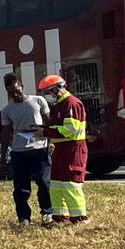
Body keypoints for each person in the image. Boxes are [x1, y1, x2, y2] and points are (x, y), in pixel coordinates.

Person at [1, 73, 52, 225]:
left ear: (22, 87)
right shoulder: (7, 110)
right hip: (19, 152)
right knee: (21, 188)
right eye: (11, 93)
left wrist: (51, 142)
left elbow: (50, 124)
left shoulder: (38, 101)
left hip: (40, 149)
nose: (15, 95)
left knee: (44, 183)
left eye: (17, 90)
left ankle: (47, 213)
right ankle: (24, 217)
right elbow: (5, 133)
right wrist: (3, 156)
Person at [40, 74, 89, 224]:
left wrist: (45, 132)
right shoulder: (59, 105)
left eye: (48, 92)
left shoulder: (72, 104)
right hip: (60, 150)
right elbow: (56, 126)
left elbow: (71, 129)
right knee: (56, 184)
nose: (47, 96)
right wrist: (42, 130)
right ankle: (60, 217)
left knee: (71, 184)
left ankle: (79, 218)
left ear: (58, 88)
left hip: (73, 150)